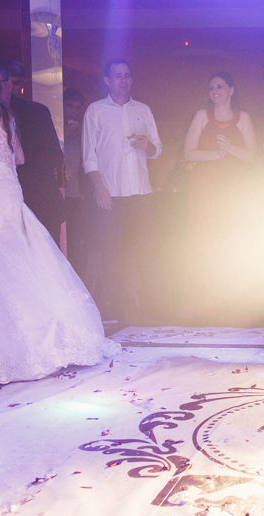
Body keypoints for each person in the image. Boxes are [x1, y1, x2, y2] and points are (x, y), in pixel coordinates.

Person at [0, 49, 118, 387]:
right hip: (10, 192)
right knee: (17, 261)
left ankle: (14, 346)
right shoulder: (5, 113)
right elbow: (19, 158)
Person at [83, 58, 162, 323]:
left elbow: (157, 149)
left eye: (127, 75)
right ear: (107, 80)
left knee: (148, 250)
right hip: (110, 194)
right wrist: (99, 188)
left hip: (141, 192)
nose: (124, 80)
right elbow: (89, 156)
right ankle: (116, 310)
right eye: (118, 75)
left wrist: (147, 144)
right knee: (111, 253)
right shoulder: (95, 111)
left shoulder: (143, 109)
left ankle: (152, 307)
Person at [179, 71, 256, 325]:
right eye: (211, 87)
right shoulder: (202, 116)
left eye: (220, 86)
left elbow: (252, 156)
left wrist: (230, 149)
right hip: (204, 188)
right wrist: (217, 155)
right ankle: (200, 305)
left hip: (233, 190)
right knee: (203, 243)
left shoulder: (243, 117)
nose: (214, 91)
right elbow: (189, 153)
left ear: (231, 91)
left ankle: (232, 304)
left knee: (230, 243)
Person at [0, 58, 66, 247]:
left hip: (39, 200)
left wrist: (18, 161)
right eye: (7, 82)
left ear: (22, 84)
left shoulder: (36, 112)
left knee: (49, 262)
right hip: (1, 202)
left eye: (16, 82)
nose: (10, 87)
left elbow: (55, 156)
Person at [63, 87, 93, 282]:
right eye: (70, 106)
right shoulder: (53, 125)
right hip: (55, 191)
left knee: (75, 240)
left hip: (75, 193)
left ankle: (77, 280)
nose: (74, 110)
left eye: (77, 107)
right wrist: (65, 132)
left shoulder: (84, 129)